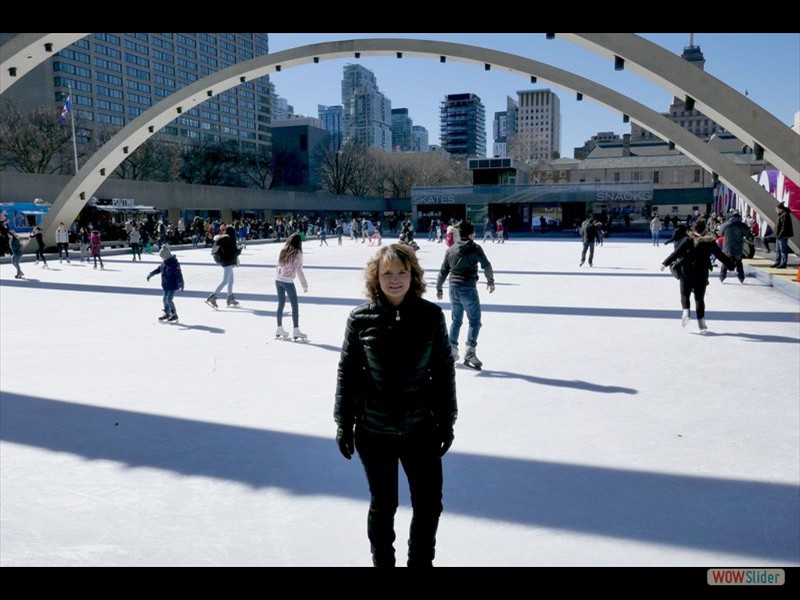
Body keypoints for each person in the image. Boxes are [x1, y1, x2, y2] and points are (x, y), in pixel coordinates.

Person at [334, 243, 457, 567]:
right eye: (387, 273)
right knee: (384, 504)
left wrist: (447, 421)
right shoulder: (360, 319)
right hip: (375, 431)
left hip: (421, 429)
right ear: (375, 276)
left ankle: (420, 563)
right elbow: (347, 372)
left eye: (401, 272)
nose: (394, 279)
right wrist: (343, 423)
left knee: (429, 505)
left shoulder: (430, 316)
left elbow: (443, 370)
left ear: (412, 275)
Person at [436, 221, 496, 369]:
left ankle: (452, 350)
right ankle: (470, 351)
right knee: (475, 321)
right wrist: (491, 281)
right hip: (468, 288)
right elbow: (486, 265)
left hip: (453, 288)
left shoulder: (451, 249)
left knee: (456, 320)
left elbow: (443, 271)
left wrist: (439, 289)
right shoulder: (475, 248)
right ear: (471, 234)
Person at [661, 220, 735, 332]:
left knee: (685, 294)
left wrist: (665, 263)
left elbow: (677, 253)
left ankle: (686, 312)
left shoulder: (688, 239)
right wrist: (731, 267)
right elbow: (720, 255)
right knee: (699, 298)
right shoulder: (710, 242)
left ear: (693, 229)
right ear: (704, 229)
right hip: (702, 273)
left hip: (686, 271)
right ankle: (701, 323)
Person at [274, 232, 309, 341]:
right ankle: (296, 329)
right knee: (295, 305)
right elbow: (299, 270)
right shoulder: (297, 252)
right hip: (288, 281)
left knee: (281, 304)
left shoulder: (284, 250)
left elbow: (278, 265)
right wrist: (304, 285)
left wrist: (279, 275)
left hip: (278, 279)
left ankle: (279, 328)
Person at [206, 226, 241, 309]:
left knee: (231, 281)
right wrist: (240, 249)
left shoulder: (223, 239)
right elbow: (235, 252)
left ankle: (230, 298)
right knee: (225, 281)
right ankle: (213, 296)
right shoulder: (231, 239)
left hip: (226, 261)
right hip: (228, 262)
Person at [147, 246, 184, 322]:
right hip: (165, 284)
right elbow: (158, 270)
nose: (162, 259)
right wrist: (151, 274)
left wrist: (181, 282)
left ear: (166, 256)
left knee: (169, 299)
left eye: (162, 257)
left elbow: (179, 273)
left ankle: (174, 314)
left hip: (172, 284)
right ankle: (167, 313)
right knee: (164, 299)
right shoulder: (164, 263)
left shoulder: (174, 263)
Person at [718, 211, 751, 283]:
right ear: (739, 217)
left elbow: (720, 233)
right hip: (738, 247)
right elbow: (747, 234)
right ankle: (741, 278)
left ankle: (722, 277)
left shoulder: (725, 224)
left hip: (727, 247)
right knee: (739, 263)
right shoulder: (742, 225)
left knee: (725, 262)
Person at [771, 202, 795, 269]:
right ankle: (777, 262)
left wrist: (780, 234)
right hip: (779, 235)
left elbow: (784, 227)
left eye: (776, 209)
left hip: (783, 235)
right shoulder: (781, 214)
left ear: (780, 209)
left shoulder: (785, 215)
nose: (776, 210)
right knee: (778, 249)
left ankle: (783, 264)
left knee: (783, 250)